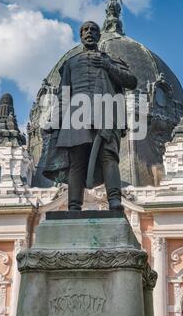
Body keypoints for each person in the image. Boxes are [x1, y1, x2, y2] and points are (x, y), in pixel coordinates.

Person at [43, 21, 137, 211]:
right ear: (80, 35)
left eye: (93, 30)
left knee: (108, 157)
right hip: (76, 116)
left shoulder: (109, 60)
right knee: (76, 161)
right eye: (85, 30)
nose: (89, 33)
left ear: (99, 35)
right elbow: (64, 93)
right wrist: (56, 119)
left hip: (105, 114)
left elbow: (131, 81)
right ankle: (74, 206)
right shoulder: (70, 63)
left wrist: (108, 66)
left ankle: (114, 200)